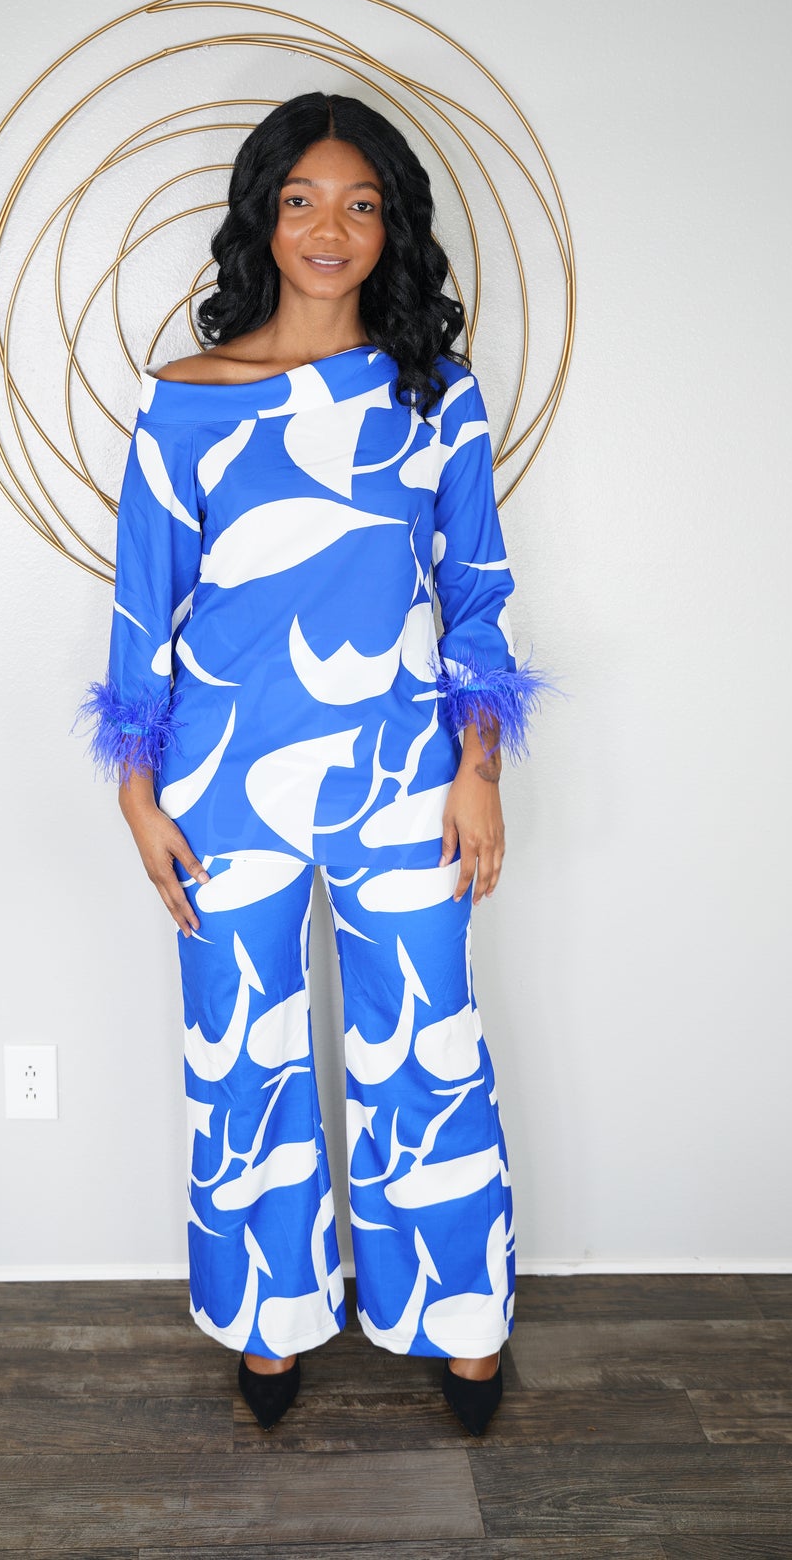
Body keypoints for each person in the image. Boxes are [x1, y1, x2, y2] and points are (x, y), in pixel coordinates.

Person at [78, 91, 560, 1436]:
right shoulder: (184, 401)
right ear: (264, 217)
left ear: (391, 226)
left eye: (360, 203)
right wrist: (135, 793)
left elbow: (475, 595)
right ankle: (267, 1317)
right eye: (301, 200)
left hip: (405, 773)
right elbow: (142, 609)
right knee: (243, 1054)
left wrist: (480, 768)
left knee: (430, 1044)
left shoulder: (435, 396)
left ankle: (462, 1321)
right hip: (218, 782)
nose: (329, 227)